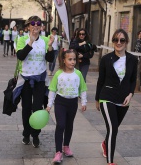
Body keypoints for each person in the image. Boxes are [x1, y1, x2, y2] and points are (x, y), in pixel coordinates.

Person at [95, 29, 138, 165]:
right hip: (107, 96)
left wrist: (131, 94)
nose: (118, 43)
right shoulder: (106, 59)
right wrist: (97, 99)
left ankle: (105, 144)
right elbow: (100, 80)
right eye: (116, 40)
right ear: (113, 41)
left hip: (124, 99)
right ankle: (110, 162)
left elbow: (132, 80)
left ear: (126, 42)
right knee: (113, 128)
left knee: (113, 128)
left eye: (122, 40)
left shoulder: (132, 59)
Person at [13, 15, 54, 148]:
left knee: (37, 108)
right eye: (32, 23)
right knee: (26, 109)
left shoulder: (45, 39)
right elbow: (20, 56)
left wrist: (50, 47)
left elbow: (50, 59)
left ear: (41, 26)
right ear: (28, 26)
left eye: (38, 23)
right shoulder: (22, 39)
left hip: (40, 80)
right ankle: (26, 134)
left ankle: (35, 135)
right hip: (25, 80)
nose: (35, 25)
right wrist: (30, 41)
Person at [46, 48, 87, 163]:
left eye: (74, 59)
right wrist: (49, 104)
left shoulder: (78, 74)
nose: (73, 62)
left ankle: (66, 146)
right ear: (64, 60)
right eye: (70, 59)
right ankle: (58, 152)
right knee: (61, 125)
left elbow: (83, 89)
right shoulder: (58, 74)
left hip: (72, 103)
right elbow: (52, 90)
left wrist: (84, 102)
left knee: (69, 125)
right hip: (60, 103)